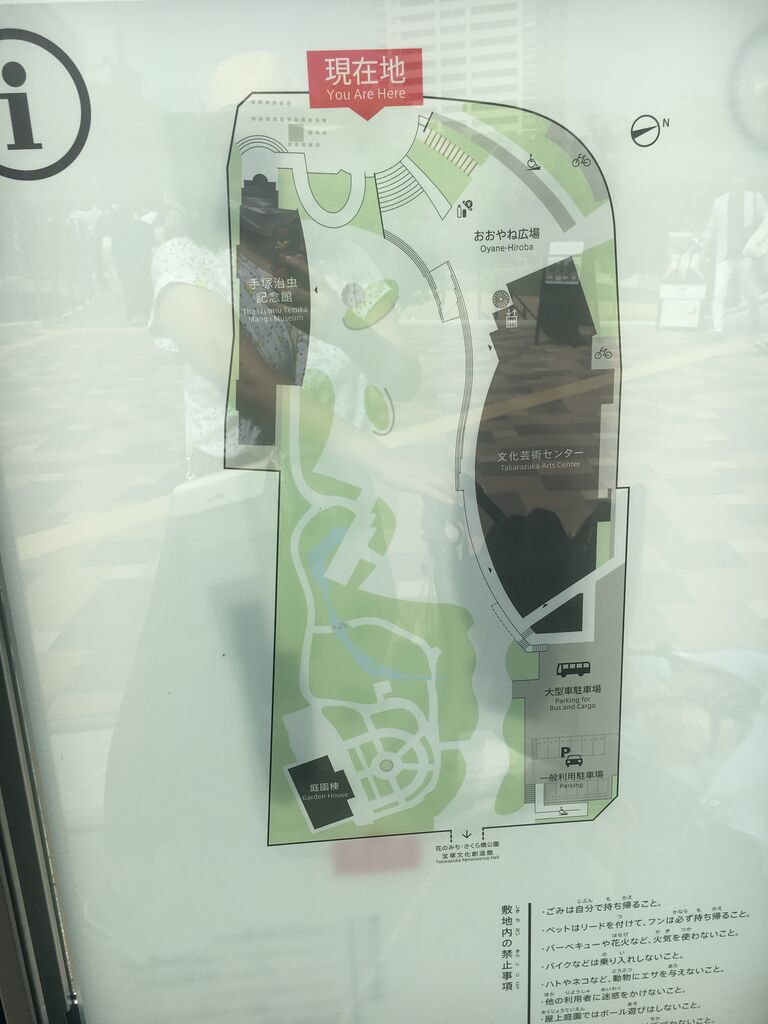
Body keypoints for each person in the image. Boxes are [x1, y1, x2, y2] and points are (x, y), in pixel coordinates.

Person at [705, 177, 766, 334]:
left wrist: (759, 244)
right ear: (729, 182)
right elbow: (711, 226)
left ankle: (754, 321)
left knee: (750, 293)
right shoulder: (719, 202)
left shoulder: (755, 198)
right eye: (735, 179)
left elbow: (765, 220)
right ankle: (717, 328)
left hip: (745, 254)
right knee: (718, 293)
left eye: (741, 179)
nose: (738, 183)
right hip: (724, 255)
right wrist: (704, 248)